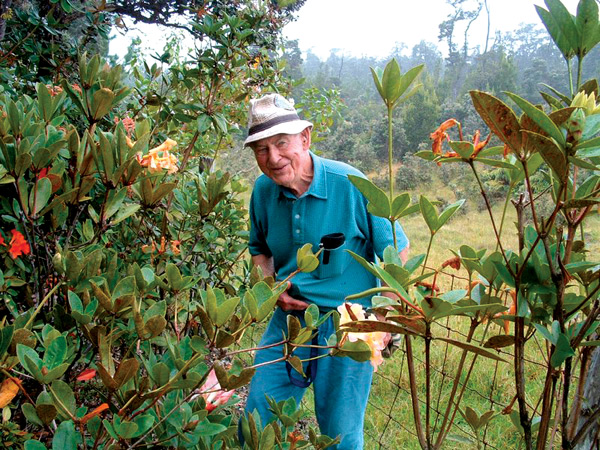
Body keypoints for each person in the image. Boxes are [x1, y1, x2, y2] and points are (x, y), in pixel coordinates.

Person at [241, 93, 409, 449]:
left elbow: (396, 249)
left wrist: (384, 316)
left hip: (349, 324)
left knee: (340, 432)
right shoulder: (262, 191)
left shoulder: (350, 183)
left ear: (305, 138)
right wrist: (271, 288)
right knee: (256, 420)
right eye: (260, 149)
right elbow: (260, 251)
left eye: (281, 143)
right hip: (288, 322)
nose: (273, 158)